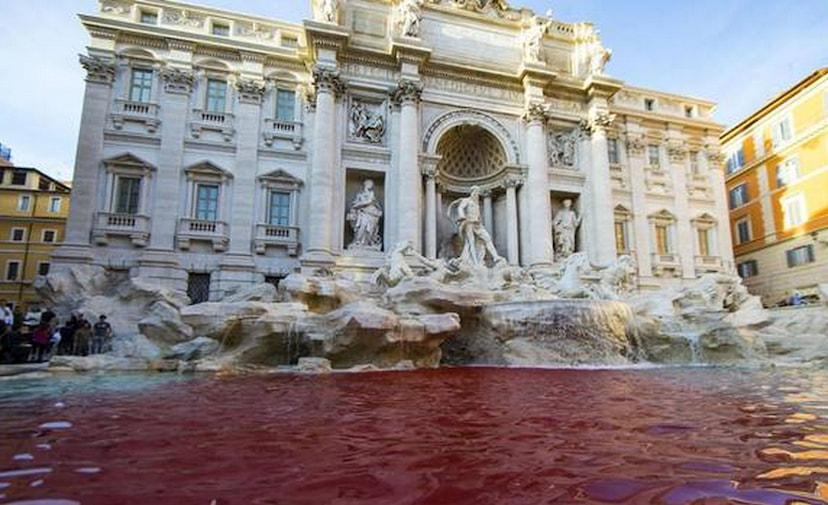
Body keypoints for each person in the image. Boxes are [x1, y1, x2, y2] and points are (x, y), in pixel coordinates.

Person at [448, 186, 501, 267]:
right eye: (475, 192)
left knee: (487, 238)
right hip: (469, 223)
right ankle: (475, 263)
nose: (477, 195)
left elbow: (478, 216)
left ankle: (495, 257)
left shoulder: (476, 204)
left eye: (478, 193)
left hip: (477, 224)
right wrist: (462, 216)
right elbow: (460, 207)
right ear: (472, 192)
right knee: (471, 242)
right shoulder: (467, 200)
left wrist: (479, 221)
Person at [346, 179, 383, 249]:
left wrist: (360, 204)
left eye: (371, 184)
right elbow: (354, 204)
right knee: (362, 226)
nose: (371, 186)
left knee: (370, 229)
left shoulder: (372, 195)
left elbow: (373, 204)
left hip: (372, 214)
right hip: (362, 213)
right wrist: (363, 203)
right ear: (365, 184)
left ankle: (368, 243)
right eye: (369, 184)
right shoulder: (360, 194)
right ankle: (358, 241)